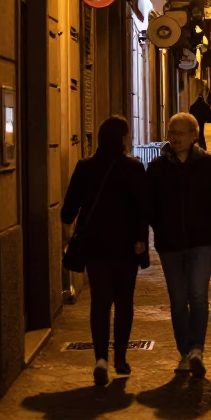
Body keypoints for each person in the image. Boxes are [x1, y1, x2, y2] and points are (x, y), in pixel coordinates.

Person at [60, 115, 149, 386]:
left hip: (95, 247)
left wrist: (70, 235)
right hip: (126, 246)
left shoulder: (85, 167)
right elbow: (142, 210)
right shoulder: (133, 167)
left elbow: (67, 211)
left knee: (100, 302)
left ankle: (100, 359)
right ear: (123, 138)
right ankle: (120, 359)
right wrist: (141, 240)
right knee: (124, 303)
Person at [147, 112, 211, 378]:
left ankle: (197, 348)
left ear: (194, 136)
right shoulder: (157, 167)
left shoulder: (207, 165)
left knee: (197, 295)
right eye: (172, 133)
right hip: (170, 244)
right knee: (177, 300)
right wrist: (158, 228)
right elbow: (148, 206)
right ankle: (184, 352)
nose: (175, 138)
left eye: (181, 133)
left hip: (202, 242)